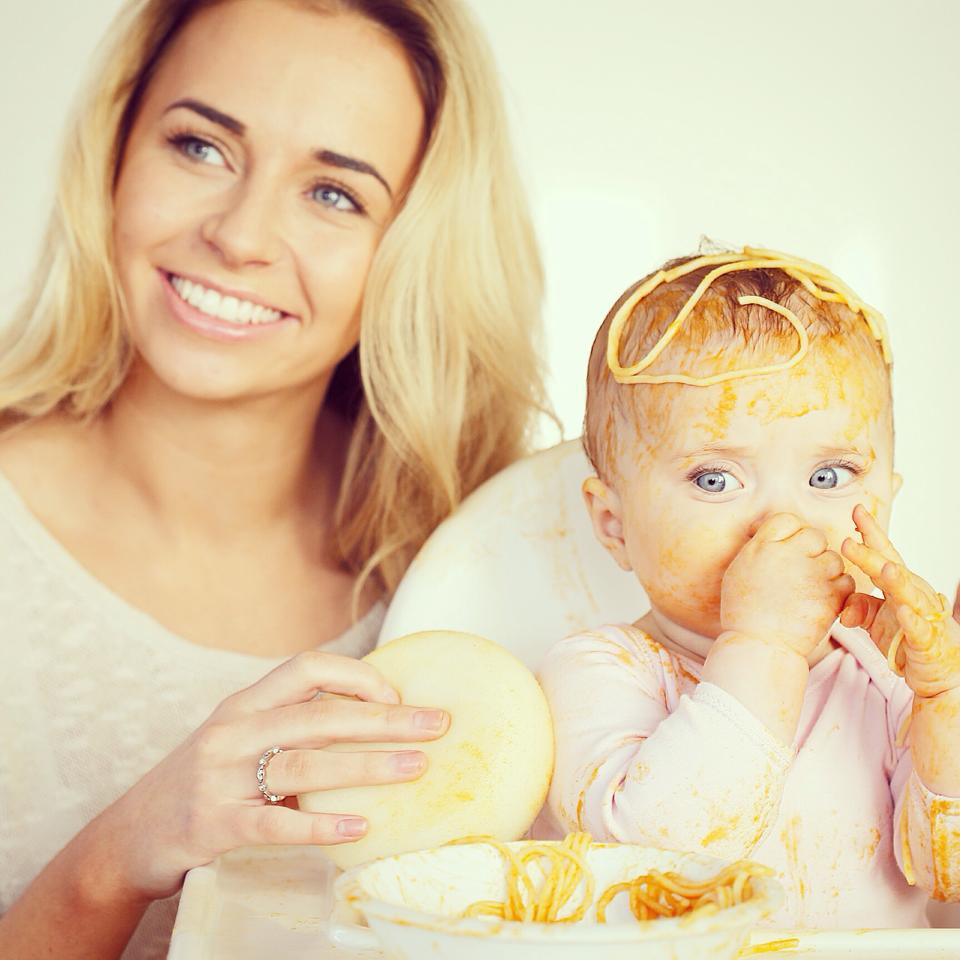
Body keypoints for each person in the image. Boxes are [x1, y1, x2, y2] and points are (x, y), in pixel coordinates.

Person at [0, 1, 548, 956]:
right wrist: (117, 857)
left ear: (409, 248)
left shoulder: (485, 579)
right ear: (116, 154)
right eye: (200, 146)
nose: (242, 235)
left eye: (334, 194)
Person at [537, 247, 960, 927]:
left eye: (829, 477)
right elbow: (658, 861)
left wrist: (944, 701)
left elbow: (943, 872)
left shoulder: (884, 677)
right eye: (716, 479)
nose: (783, 524)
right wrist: (764, 644)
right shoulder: (600, 672)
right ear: (614, 526)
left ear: (886, 502)